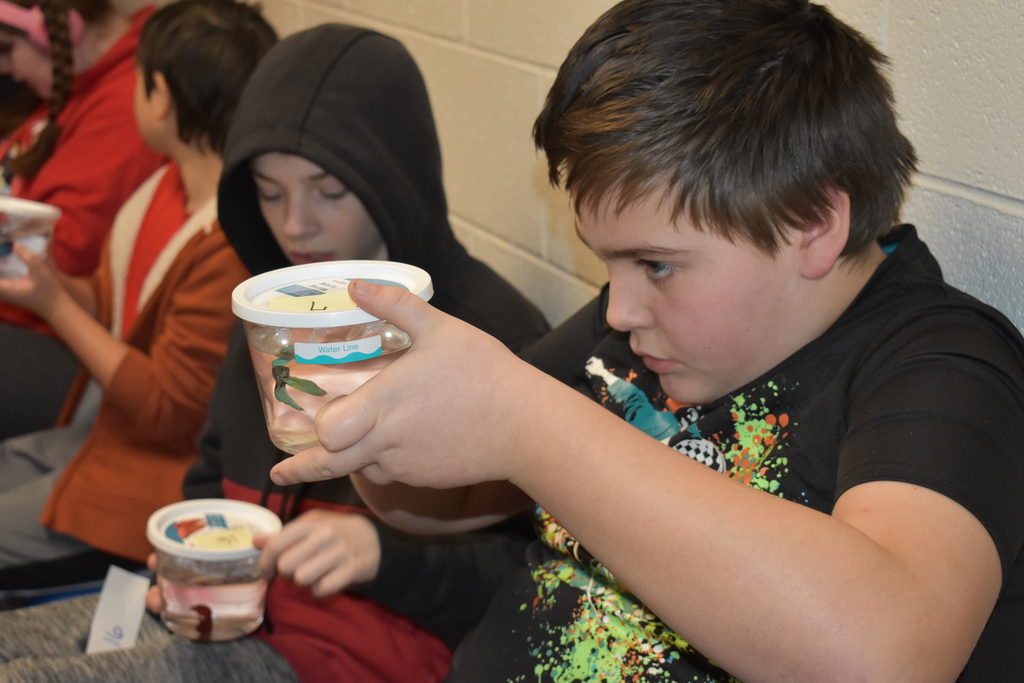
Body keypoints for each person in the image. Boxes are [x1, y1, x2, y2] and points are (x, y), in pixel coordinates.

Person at [264, 1, 1024, 681]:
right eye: (608, 262)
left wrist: (526, 421)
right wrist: (364, 415)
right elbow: (448, 500)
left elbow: (882, 654)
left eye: (657, 264)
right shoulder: (648, 326)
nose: (620, 308)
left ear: (813, 225)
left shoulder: (942, 361)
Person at [0, 23, 550, 682]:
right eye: (268, 192)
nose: (295, 225)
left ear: (392, 179)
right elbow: (210, 477)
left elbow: (532, 583)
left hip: (364, 652)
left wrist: (384, 552)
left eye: (329, 190)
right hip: (242, 616)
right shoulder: (271, 309)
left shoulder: (490, 334)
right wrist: (198, 561)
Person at [0, 0, 276, 590]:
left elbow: (165, 410)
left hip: (148, 478)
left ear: (161, 97)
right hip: (100, 439)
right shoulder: (163, 183)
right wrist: (44, 281)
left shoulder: (228, 240)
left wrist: (52, 306)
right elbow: (113, 298)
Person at [0, 0, 166, 441]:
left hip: (54, 340)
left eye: (7, 49)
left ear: (62, 31)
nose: (8, 70)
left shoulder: (120, 107)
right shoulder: (78, 84)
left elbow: (53, 257)